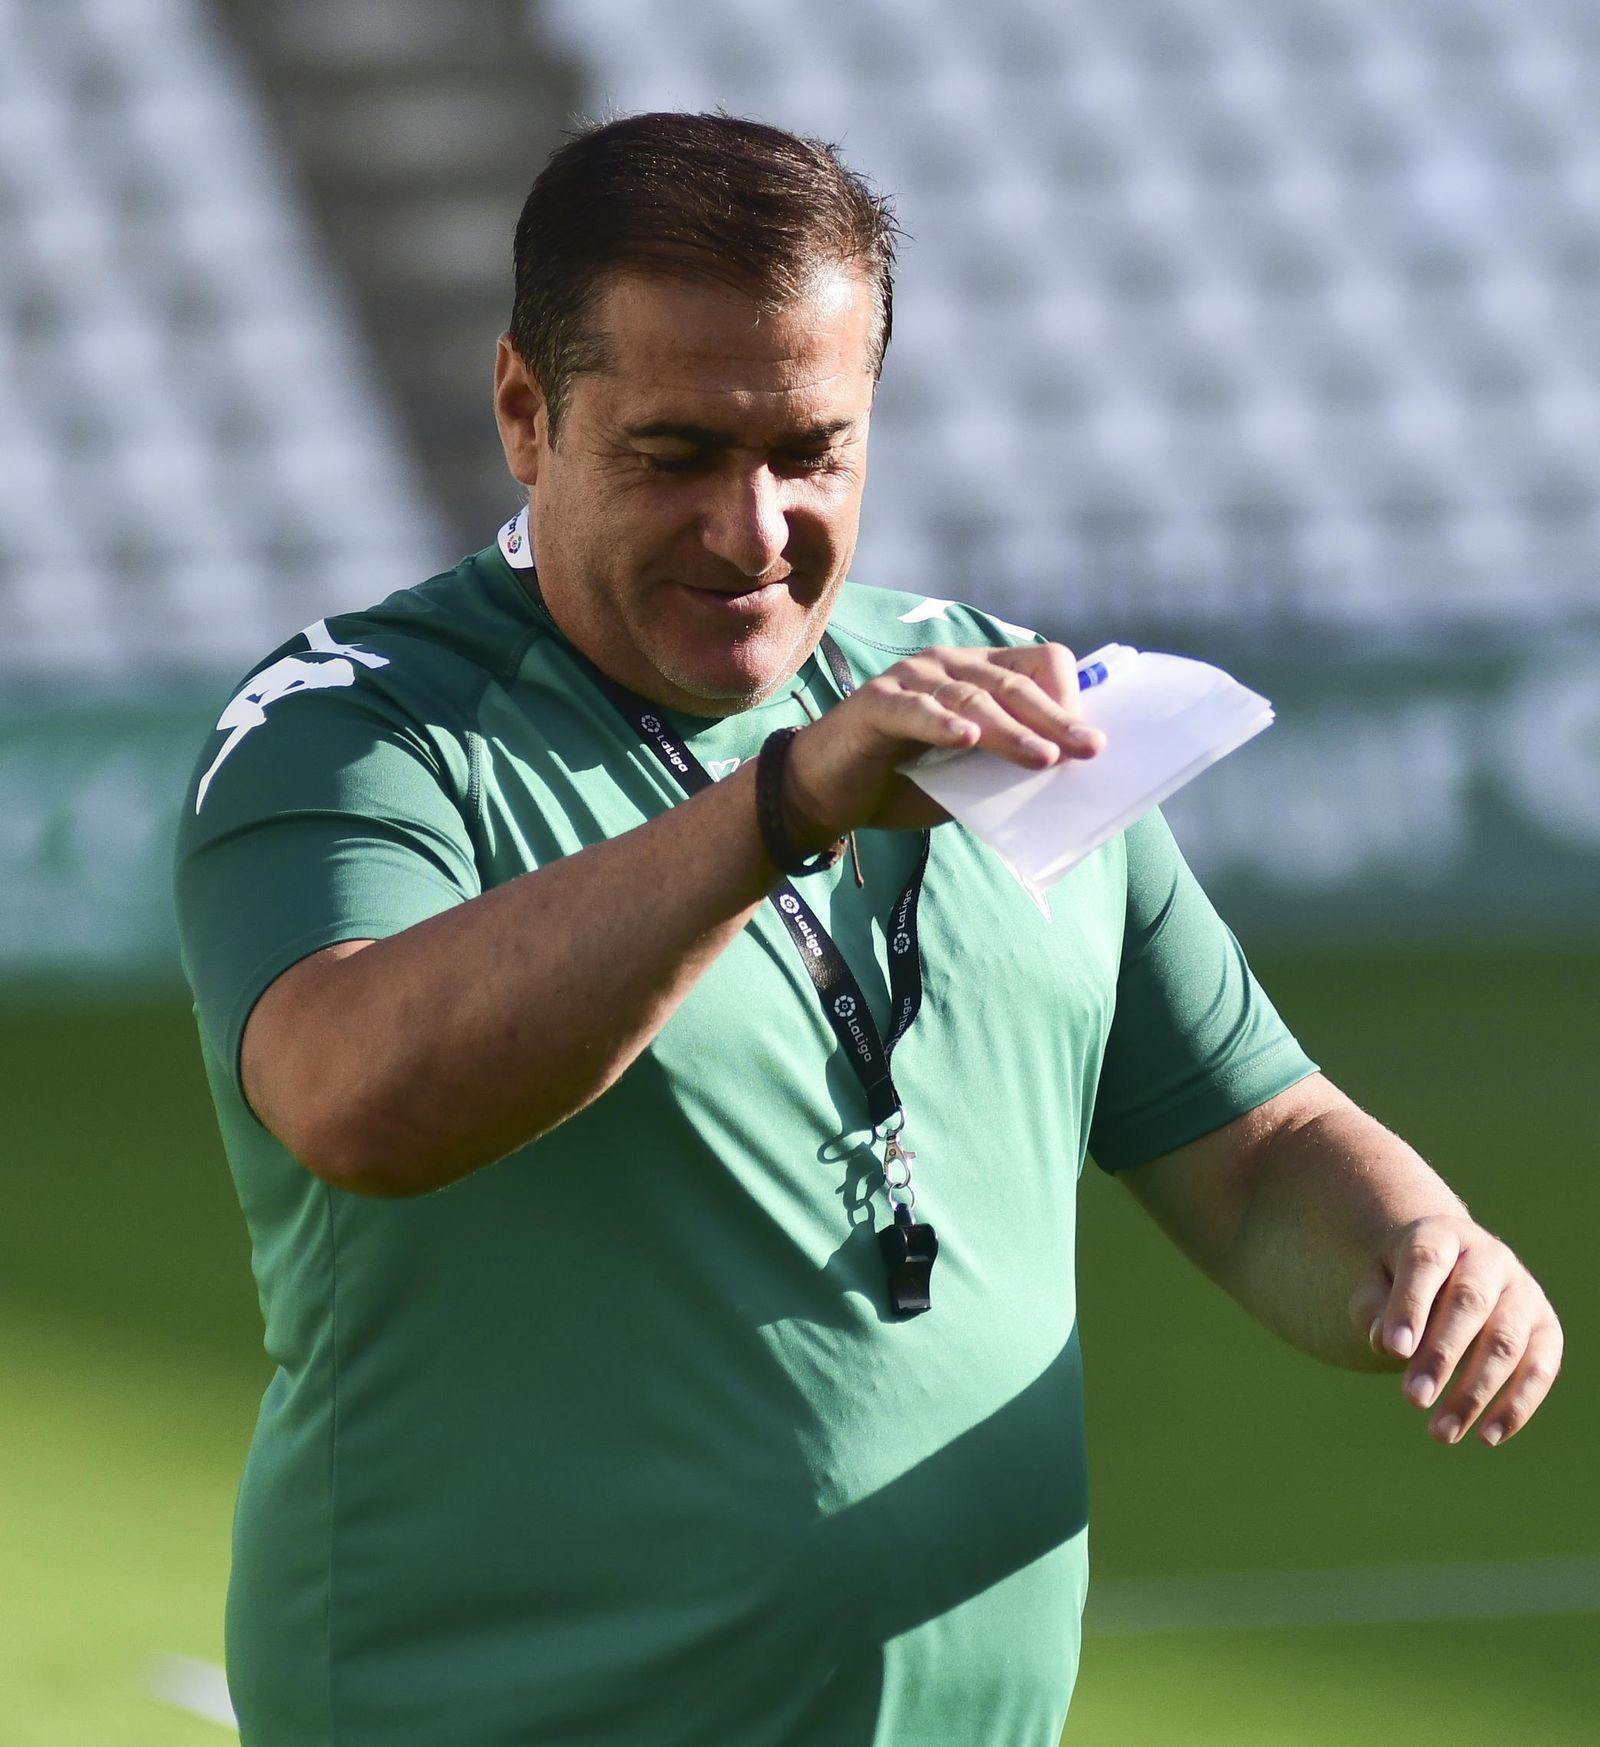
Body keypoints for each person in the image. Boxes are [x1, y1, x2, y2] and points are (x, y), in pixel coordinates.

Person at [174, 112, 1562, 1747]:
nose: (754, 529)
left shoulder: (998, 705)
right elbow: (356, 1094)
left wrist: (1419, 1252)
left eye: (811, 453)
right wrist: (783, 805)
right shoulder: (354, 727)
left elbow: (1251, 1147)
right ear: (526, 415)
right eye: (678, 454)